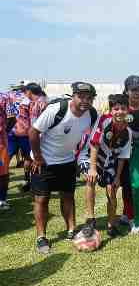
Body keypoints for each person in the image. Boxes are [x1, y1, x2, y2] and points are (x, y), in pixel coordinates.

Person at [29, 82, 97, 254]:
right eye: (81, 96)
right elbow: (33, 132)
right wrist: (37, 157)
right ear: (73, 96)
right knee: (42, 200)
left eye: (89, 98)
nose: (85, 101)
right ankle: (41, 237)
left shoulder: (91, 114)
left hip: (66, 161)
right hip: (43, 161)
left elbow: (89, 140)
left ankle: (71, 230)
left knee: (68, 197)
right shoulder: (58, 109)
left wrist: (81, 158)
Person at [83, 94, 132, 238]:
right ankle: (90, 220)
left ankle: (111, 225)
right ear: (111, 111)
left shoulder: (127, 132)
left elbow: (123, 157)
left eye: (123, 108)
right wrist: (92, 168)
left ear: (127, 110)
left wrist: (117, 177)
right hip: (92, 156)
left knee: (112, 188)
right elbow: (94, 145)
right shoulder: (104, 121)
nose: (119, 112)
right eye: (116, 109)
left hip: (110, 161)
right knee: (90, 181)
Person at [120, 75, 139, 233]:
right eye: (133, 90)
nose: (136, 93)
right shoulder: (121, 108)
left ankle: (133, 213)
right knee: (127, 186)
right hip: (125, 155)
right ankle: (131, 219)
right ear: (126, 91)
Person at [22, 83, 48, 192]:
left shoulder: (42, 103)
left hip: (40, 137)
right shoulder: (34, 103)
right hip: (35, 136)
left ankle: (38, 185)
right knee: (33, 159)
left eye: (25, 91)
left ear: (29, 91)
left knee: (37, 159)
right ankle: (33, 183)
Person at [0, 92, 16, 210]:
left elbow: (12, 118)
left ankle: (2, 199)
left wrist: (3, 132)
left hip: (1, 144)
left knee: (3, 174)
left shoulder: (4, 98)